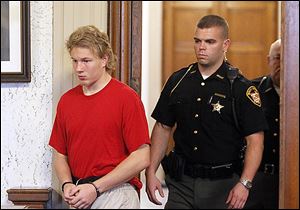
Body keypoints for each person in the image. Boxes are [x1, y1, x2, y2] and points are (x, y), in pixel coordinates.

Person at [145, 15, 268, 209]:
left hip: (224, 186)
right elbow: (162, 126)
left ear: (225, 44)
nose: (201, 47)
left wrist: (244, 183)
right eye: (197, 41)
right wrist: (151, 171)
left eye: (210, 41)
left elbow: (255, 141)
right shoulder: (178, 81)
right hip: (181, 183)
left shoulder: (241, 88)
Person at [49, 25, 150, 209]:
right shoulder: (67, 101)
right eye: (75, 61)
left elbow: (142, 156)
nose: (79, 68)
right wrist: (66, 184)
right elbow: (60, 154)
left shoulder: (126, 98)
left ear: (104, 59)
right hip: (80, 193)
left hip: (116, 191)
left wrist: (95, 188)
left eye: (86, 60)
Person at [246, 39, 281, 209]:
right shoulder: (253, 91)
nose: (281, 64)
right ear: (268, 60)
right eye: (277, 58)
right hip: (260, 178)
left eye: (286, 58)